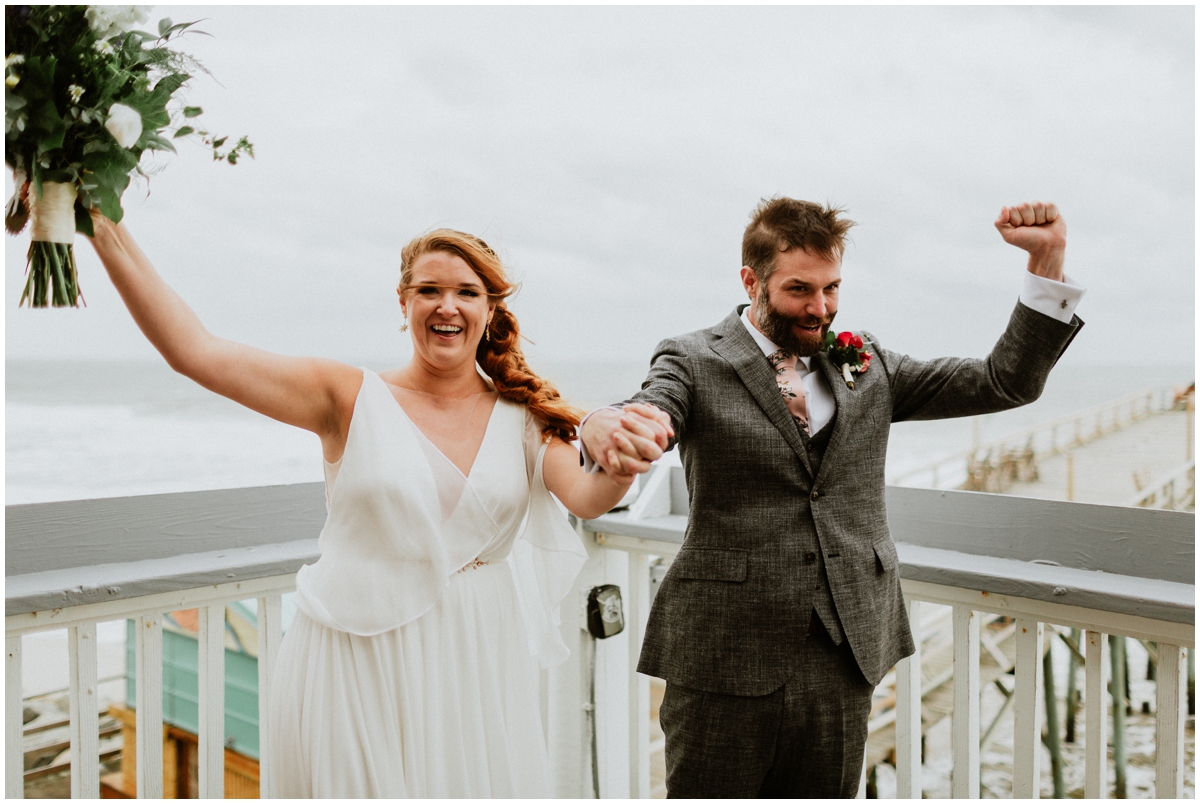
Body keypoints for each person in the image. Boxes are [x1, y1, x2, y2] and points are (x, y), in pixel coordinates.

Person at [84, 219, 666, 797]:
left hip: (473, 661)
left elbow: (587, 496)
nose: (448, 307)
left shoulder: (525, 417)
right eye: (430, 290)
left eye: (467, 292)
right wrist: (104, 228)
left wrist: (622, 460)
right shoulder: (348, 397)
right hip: (355, 659)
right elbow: (195, 352)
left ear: (491, 308)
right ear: (403, 300)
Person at [581, 197, 1085, 797]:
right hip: (725, 650)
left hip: (844, 651)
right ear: (752, 280)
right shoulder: (694, 358)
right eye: (800, 290)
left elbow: (1005, 381)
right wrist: (614, 426)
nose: (820, 308)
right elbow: (653, 404)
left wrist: (1046, 261)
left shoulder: (866, 360)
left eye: (832, 288)